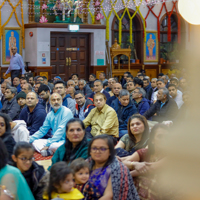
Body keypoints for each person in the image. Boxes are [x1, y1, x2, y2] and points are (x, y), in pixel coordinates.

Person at [84, 135, 140, 200]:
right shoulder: (87, 163)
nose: (97, 151)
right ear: (90, 151)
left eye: (102, 148)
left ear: (110, 152)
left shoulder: (118, 169)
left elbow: (109, 196)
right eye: (94, 148)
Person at [121, 124, 168, 200]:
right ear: (152, 140)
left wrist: (128, 175)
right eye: (160, 136)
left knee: (150, 181)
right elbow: (123, 163)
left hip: (161, 190)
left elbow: (150, 168)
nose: (164, 140)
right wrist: (134, 164)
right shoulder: (144, 152)